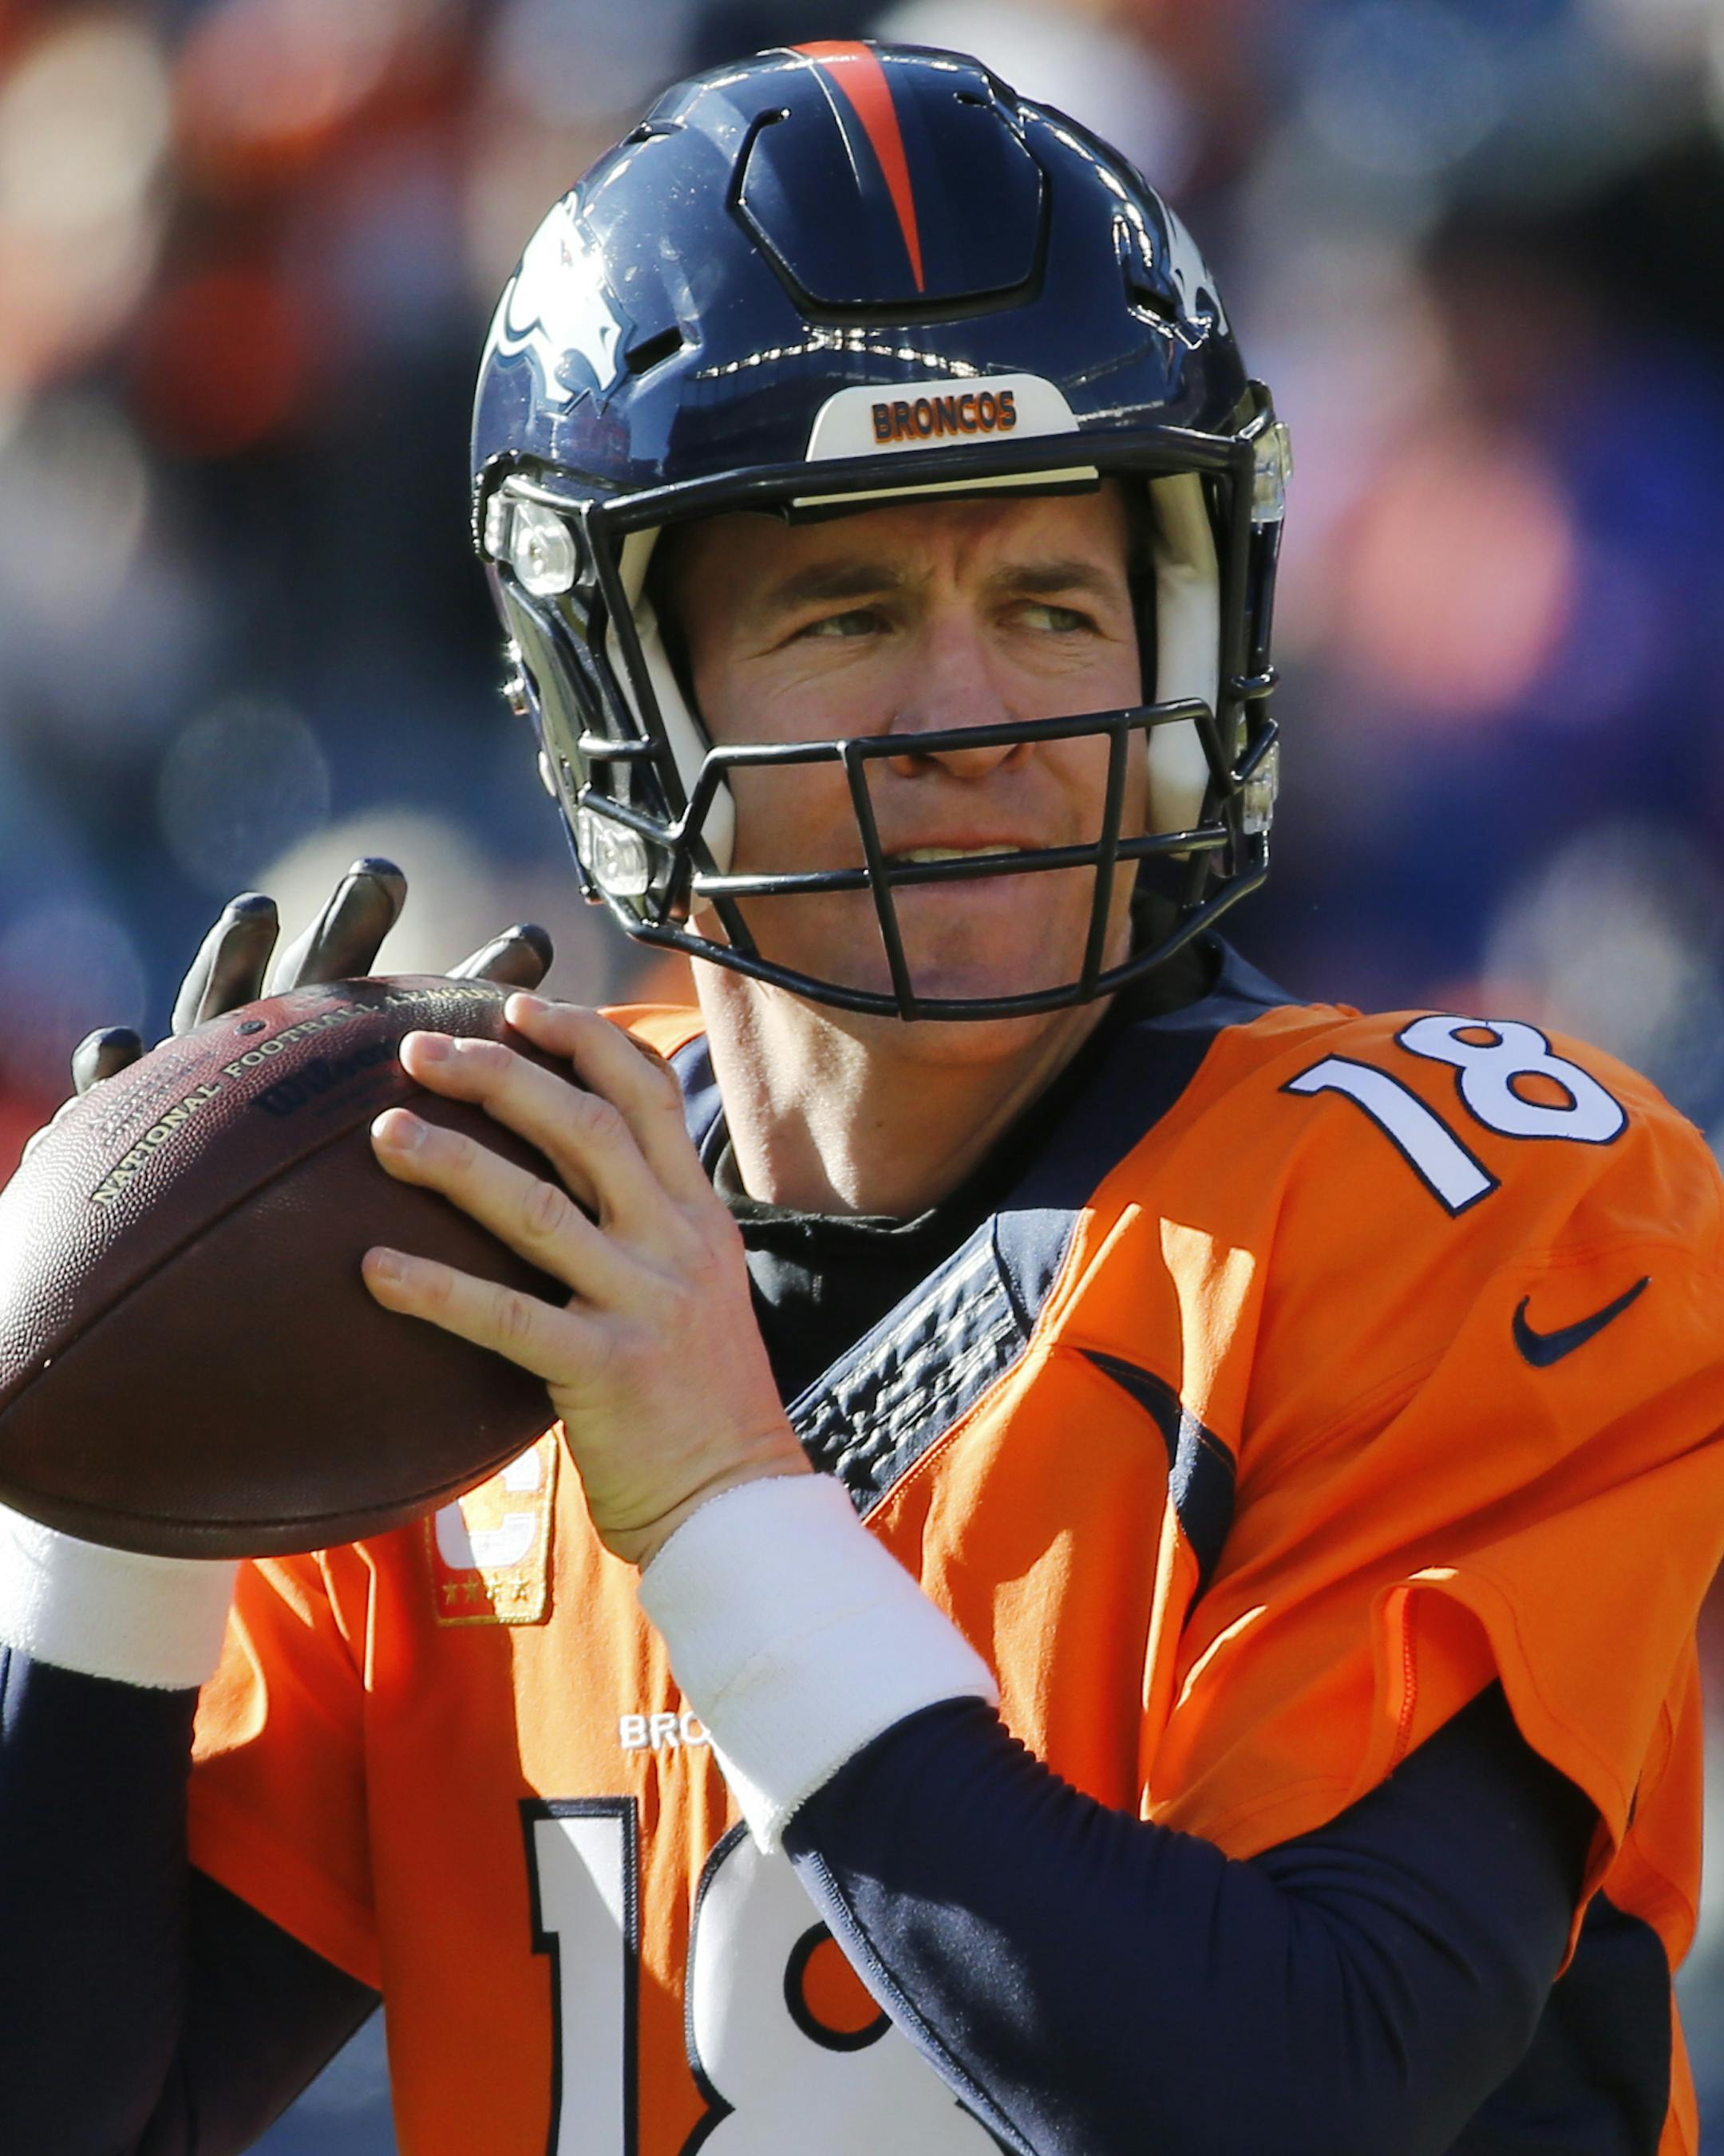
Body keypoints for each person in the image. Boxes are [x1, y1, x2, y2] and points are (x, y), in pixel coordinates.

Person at [2, 39, 1722, 2156]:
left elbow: (1296, 2097)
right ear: (621, 683)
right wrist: (109, 1525)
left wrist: (723, 1512)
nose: (971, 708)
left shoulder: (1465, 1210)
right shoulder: (477, 1229)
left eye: (1055, 600)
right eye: (847, 605)